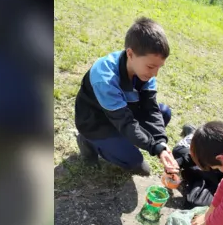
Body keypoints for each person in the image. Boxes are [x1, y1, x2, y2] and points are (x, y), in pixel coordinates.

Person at [74, 17, 179, 176]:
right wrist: (153, 147)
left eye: (159, 67)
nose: (155, 74)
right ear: (130, 53)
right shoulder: (105, 78)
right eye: (151, 66)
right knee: (136, 163)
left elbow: (150, 110)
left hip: (121, 114)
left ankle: (123, 143)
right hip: (97, 122)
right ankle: (87, 140)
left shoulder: (144, 72)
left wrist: (161, 144)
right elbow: (125, 122)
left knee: (163, 112)